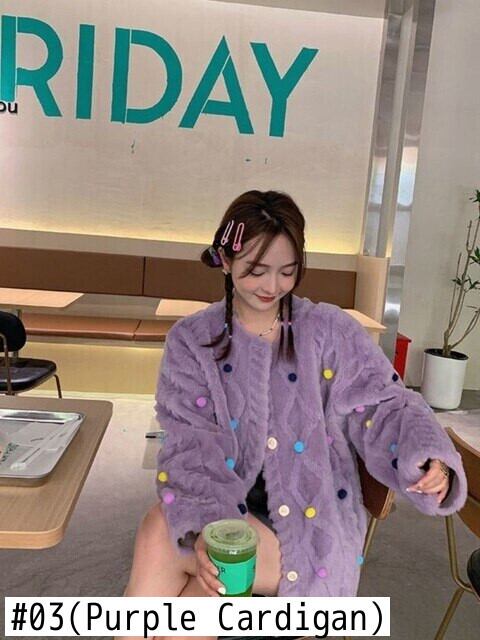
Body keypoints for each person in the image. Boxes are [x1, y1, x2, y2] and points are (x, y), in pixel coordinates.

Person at [119, 190, 467, 640]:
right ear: (225, 260)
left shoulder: (329, 331)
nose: (272, 286)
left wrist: (428, 456)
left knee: (182, 568)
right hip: (225, 506)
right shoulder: (193, 341)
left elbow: (384, 402)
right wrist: (208, 526)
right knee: (172, 548)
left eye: (287, 271)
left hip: (309, 525)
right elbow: (190, 443)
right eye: (255, 270)